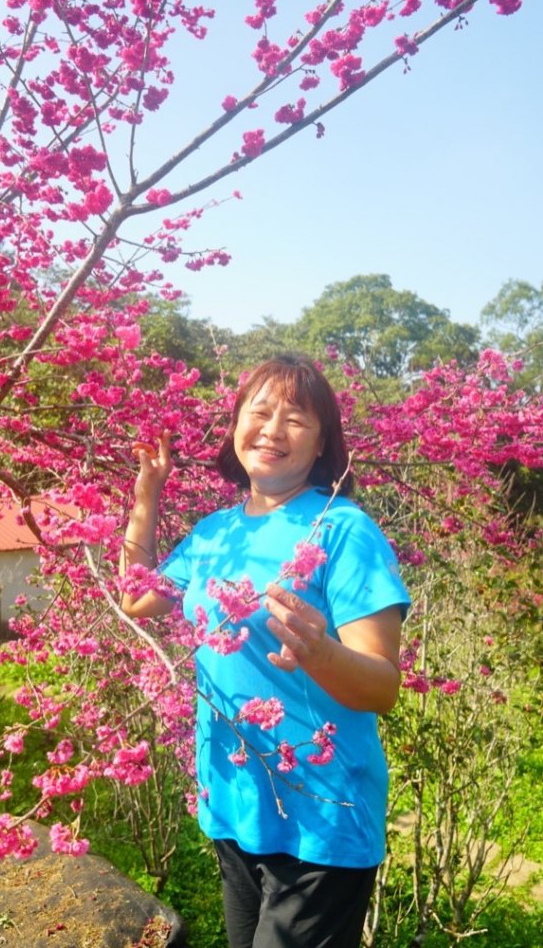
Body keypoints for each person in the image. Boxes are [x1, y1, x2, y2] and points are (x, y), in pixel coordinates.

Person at [121, 353, 410, 948]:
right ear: (235, 426)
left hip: (322, 821)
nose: (273, 430)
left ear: (322, 441)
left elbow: (382, 687)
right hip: (237, 802)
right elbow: (136, 599)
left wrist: (320, 653)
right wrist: (147, 495)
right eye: (260, 412)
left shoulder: (343, 529)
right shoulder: (214, 532)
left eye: (296, 419)